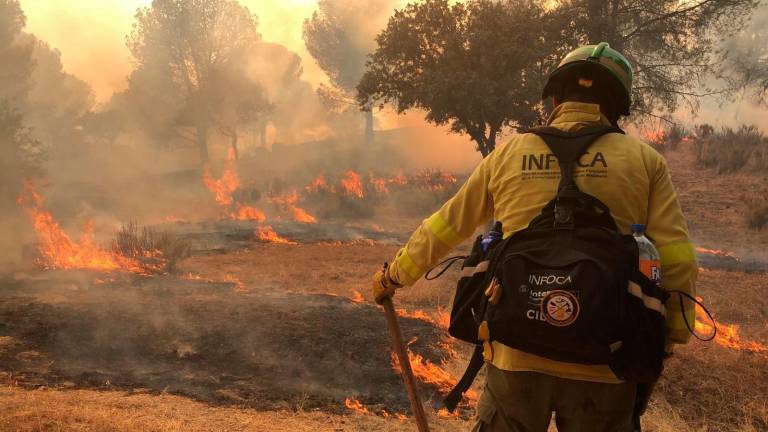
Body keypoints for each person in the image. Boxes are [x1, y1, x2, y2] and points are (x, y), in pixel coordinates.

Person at [371, 42, 697, 432]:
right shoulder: (645, 162)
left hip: (515, 352)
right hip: (607, 357)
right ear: (616, 105)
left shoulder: (509, 155)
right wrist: (672, 334)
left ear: (555, 98)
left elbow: (446, 225)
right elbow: (676, 258)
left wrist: (394, 276)